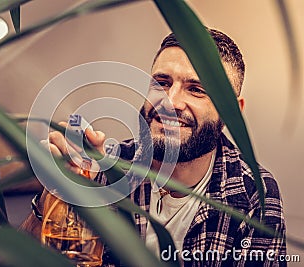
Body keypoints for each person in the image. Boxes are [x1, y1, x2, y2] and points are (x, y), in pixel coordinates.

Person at [20, 28, 286, 266]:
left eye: (196, 89)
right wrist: (54, 193)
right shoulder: (101, 167)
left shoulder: (253, 194)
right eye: (162, 83)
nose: (170, 102)